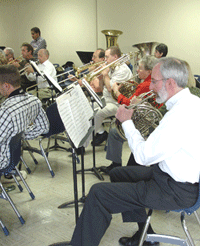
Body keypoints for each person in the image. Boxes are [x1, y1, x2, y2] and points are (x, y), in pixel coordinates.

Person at [50, 57, 200, 246]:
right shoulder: (192, 101)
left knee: (98, 193)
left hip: (174, 190)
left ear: (170, 83)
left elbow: (143, 156)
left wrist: (128, 122)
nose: (151, 87)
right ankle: (144, 235)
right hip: (173, 177)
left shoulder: (178, 116)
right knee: (118, 173)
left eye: (154, 81)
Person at [103, 56, 161, 173]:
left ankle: (116, 165)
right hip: (147, 118)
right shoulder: (148, 83)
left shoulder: (146, 85)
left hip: (145, 122)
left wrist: (116, 90)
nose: (137, 71)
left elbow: (128, 103)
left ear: (149, 71)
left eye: (140, 68)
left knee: (114, 132)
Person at [0, 65, 49, 170]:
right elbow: (44, 128)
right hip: (14, 157)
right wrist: (20, 135)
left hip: (3, 160)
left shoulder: (6, 112)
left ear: (6, 86)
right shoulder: (34, 100)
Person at [91, 46, 133, 146]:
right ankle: (100, 132)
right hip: (106, 100)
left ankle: (84, 143)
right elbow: (101, 88)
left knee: (98, 113)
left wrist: (105, 75)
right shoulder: (111, 67)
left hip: (117, 103)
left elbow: (111, 89)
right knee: (88, 106)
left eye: (106, 57)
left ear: (114, 57)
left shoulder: (122, 70)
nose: (105, 60)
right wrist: (101, 77)